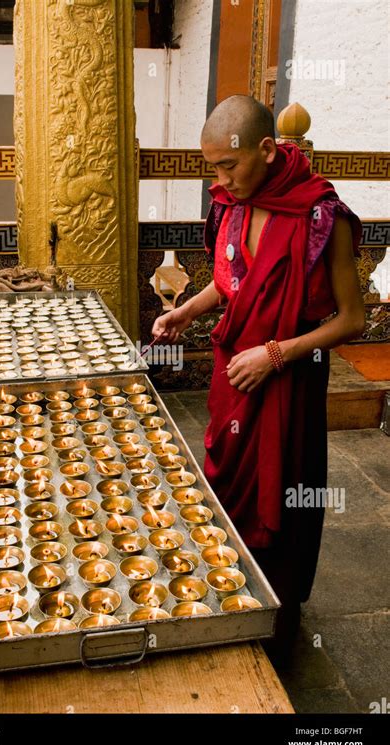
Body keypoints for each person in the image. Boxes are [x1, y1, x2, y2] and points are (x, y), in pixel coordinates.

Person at [151, 95, 366, 665]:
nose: (220, 181)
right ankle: (227, 597)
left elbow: (352, 318)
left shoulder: (320, 216)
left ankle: (278, 626)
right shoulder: (231, 205)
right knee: (228, 481)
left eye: (230, 166)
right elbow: (230, 284)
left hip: (289, 382)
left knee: (286, 497)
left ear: (268, 150)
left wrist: (276, 354)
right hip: (233, 377)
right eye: (213, 168)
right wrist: (187, 312)